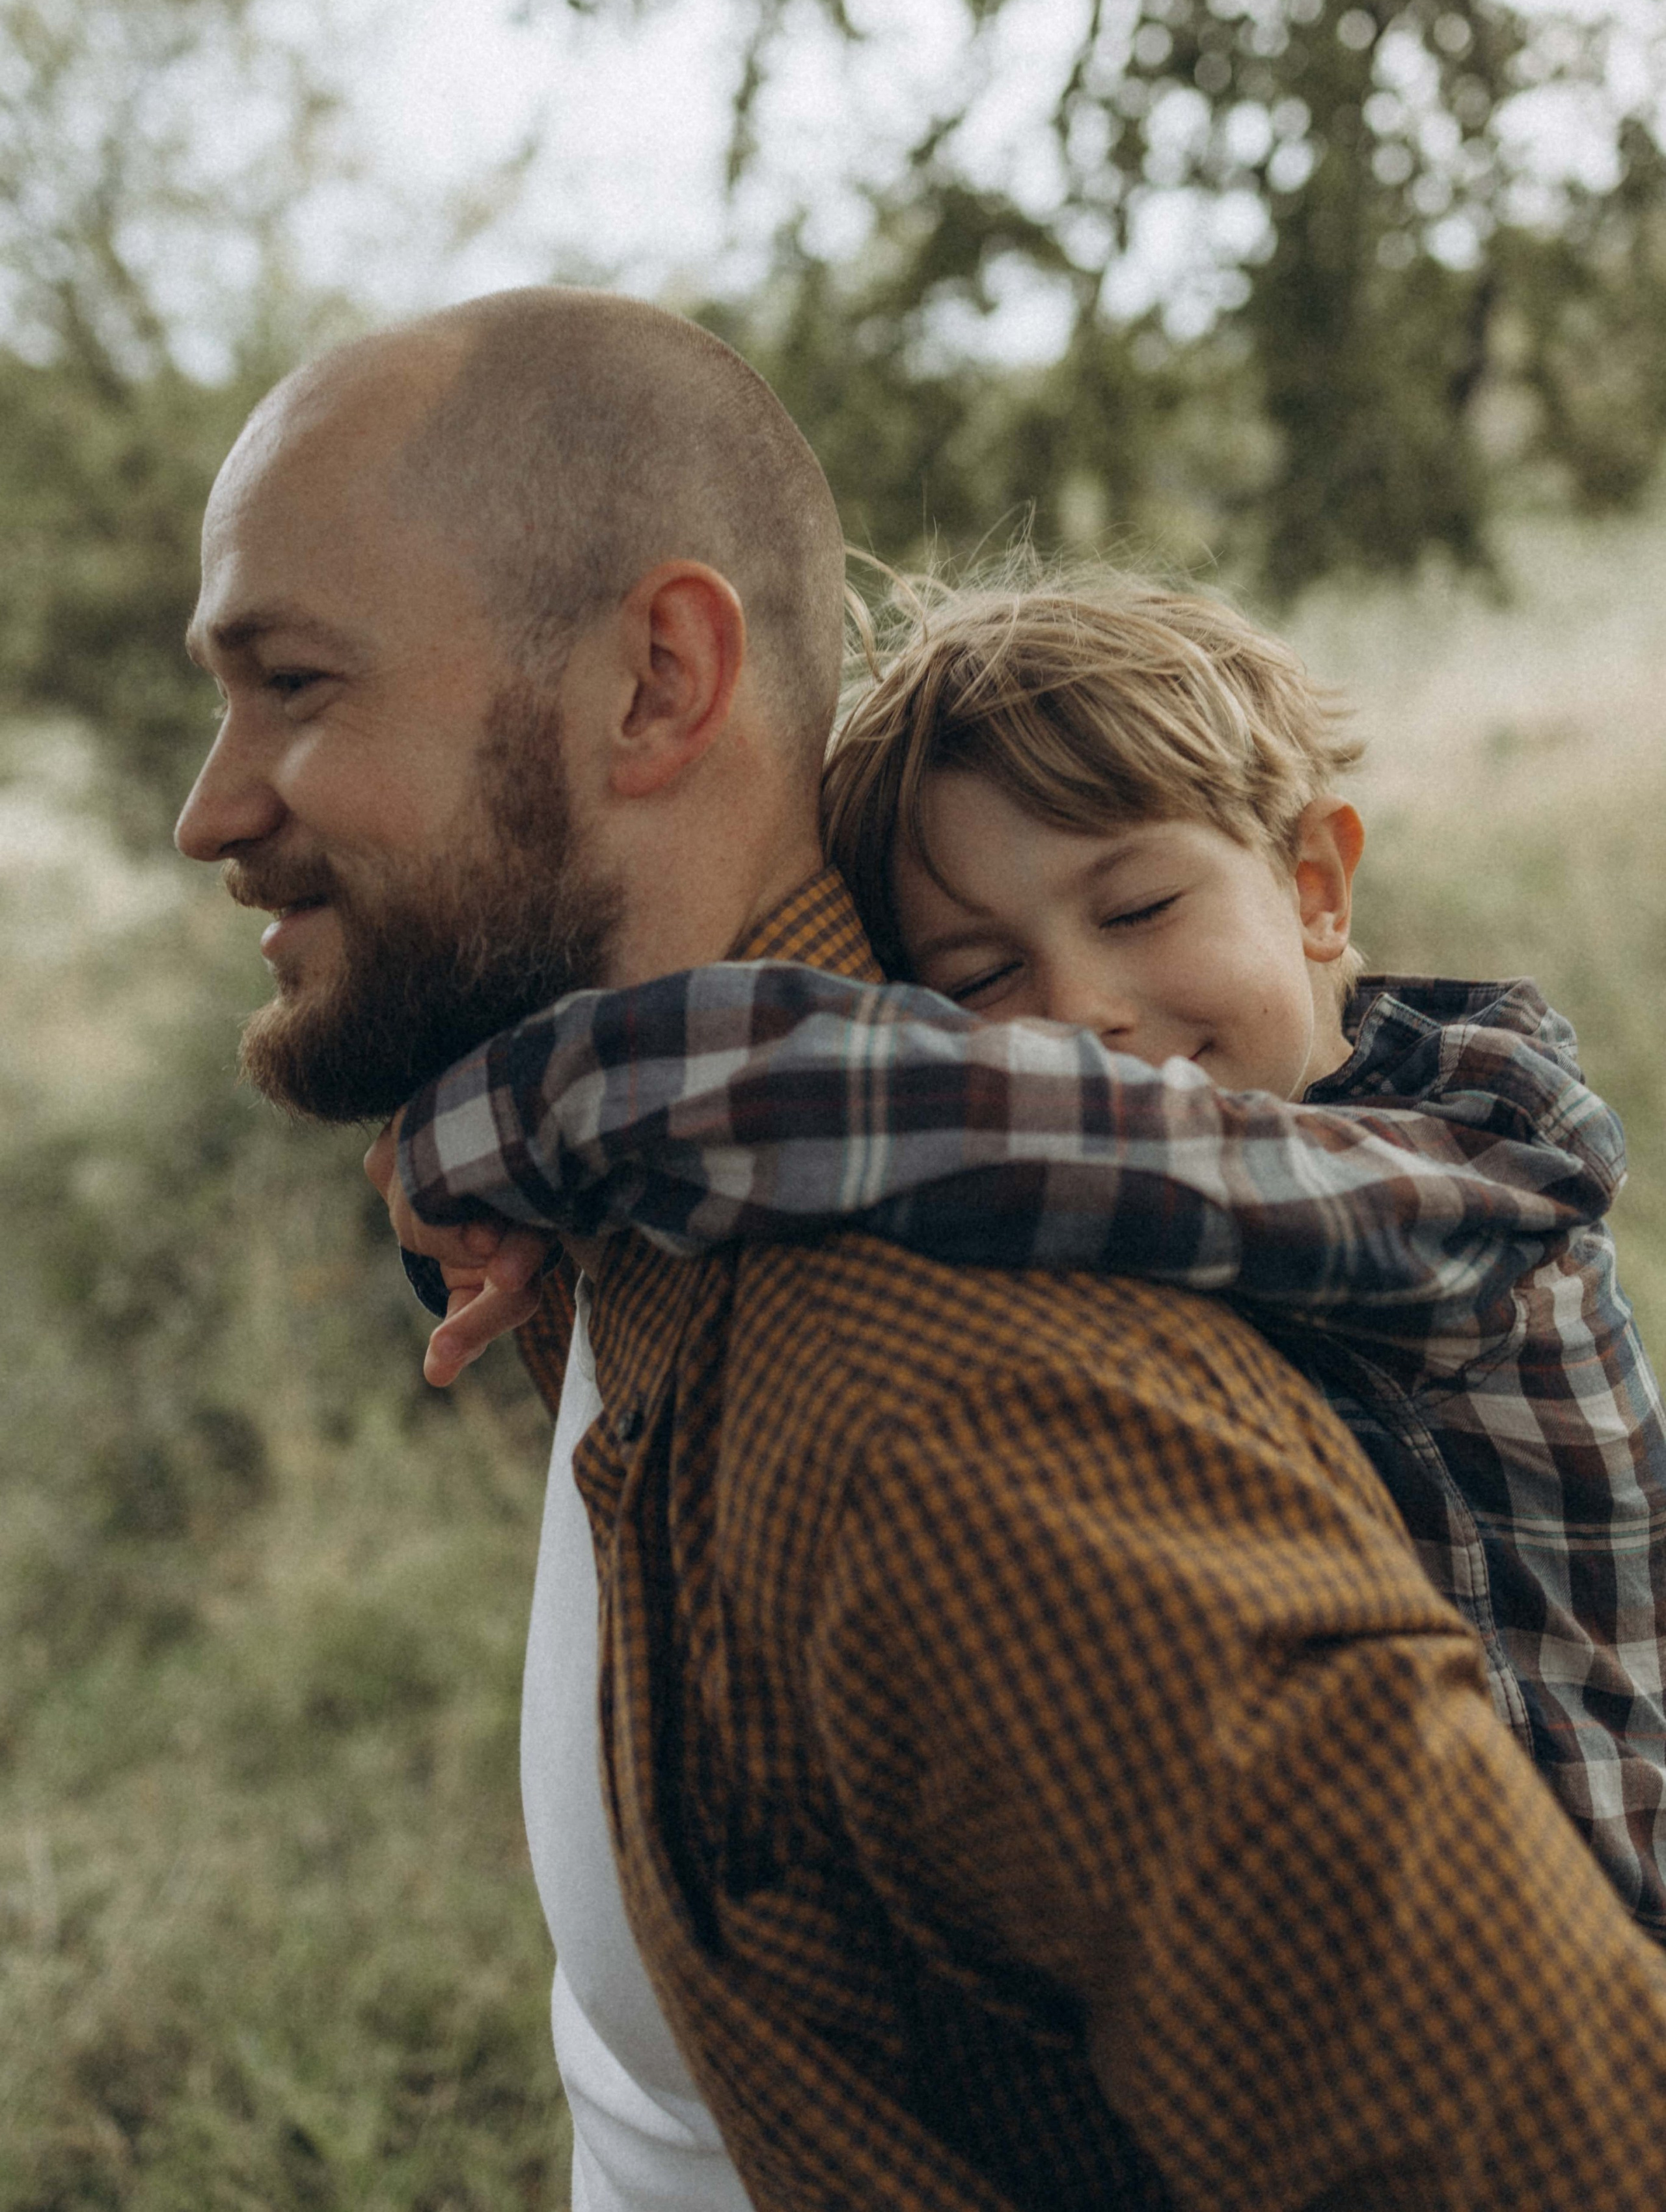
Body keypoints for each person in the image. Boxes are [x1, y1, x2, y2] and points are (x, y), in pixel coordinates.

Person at [178, 286, 1666, 2212]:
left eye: (294, 685)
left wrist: (520, 1121)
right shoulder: (685, 1194)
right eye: (982, 973)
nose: (210, 804)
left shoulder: (967, 1413)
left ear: (654, 684)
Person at [388, 578, 1666, 1940]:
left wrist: (520, 1117)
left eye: (1136, 909)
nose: (1077, 1014)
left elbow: (990, 1125)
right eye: (978, 979)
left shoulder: (1468, 1181)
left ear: (1313, 887)